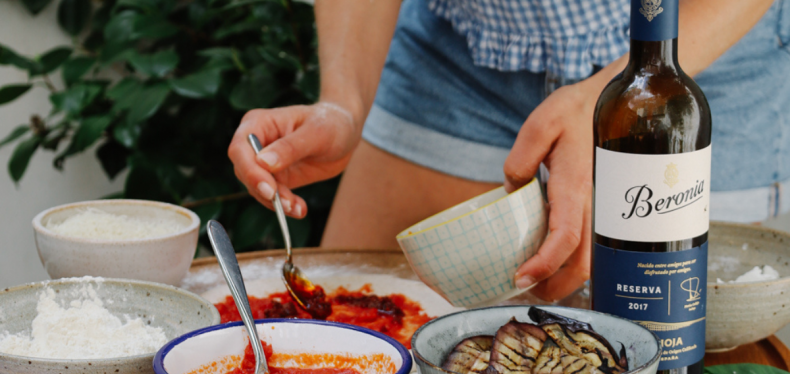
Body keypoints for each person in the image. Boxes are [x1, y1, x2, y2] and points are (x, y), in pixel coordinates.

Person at [228, 0, 789, 302]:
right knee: (351, 328)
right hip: (461, 56)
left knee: (672, 355)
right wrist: (344, 101)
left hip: (688, 57)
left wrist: (611, 98)